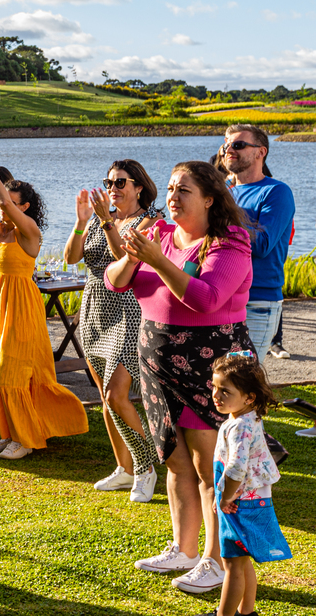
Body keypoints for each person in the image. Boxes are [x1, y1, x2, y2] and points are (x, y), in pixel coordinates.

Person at [106, 161, 253, 594]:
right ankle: (183, 548)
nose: (172, 196)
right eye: (170, 188)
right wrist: (134, 257)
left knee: (211, 468)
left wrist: (156, 261)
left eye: (183, 189)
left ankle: (215, 561)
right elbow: (116, 283)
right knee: (173, 458)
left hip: (208, 369)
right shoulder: (159, 236)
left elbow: (207, 300)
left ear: (209, 198)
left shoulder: (229, 243)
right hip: (159, 366)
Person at [0, 145, 88, 460]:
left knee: (15, 371)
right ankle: (9, 432)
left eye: (12, 205)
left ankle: (27, 437)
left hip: (19, 306)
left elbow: (2, 200)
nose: (2, 209)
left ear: (25, 207)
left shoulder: (30, 232)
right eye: (3, 205)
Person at [64, 160, 162, 503]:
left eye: (121, 181)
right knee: (106, 400)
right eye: (108, 181)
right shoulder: (98, 218)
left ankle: (146, 465)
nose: (113, 187)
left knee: (117, 394)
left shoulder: (148, 221)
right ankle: (125, 469)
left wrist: (107, 220)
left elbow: (126, 258)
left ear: (139, 187)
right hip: (93, 309)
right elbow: (71, 257)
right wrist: (81, 221)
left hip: (129, 310)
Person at [210, 352, 290, 616]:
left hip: (239, 502)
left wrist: (225, 499)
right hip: (250, 498)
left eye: (225, 390)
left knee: (232, 564)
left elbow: (235, 467)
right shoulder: (247, 417)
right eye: (214, 387)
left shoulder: (239, 427)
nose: (216, 395)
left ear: (249, 397)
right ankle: (247, 612)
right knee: (243, 563)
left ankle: (225, 615)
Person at [223, 124, 295, 362]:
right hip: (220, 297)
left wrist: (225, 209)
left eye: (238, 145)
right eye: (227, 145)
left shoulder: (276, 192)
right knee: (217, 378)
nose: (229, 150)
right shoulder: (226, 192)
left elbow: (261, 245)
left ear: (260, 152)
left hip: (256, 302)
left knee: (242, 378)